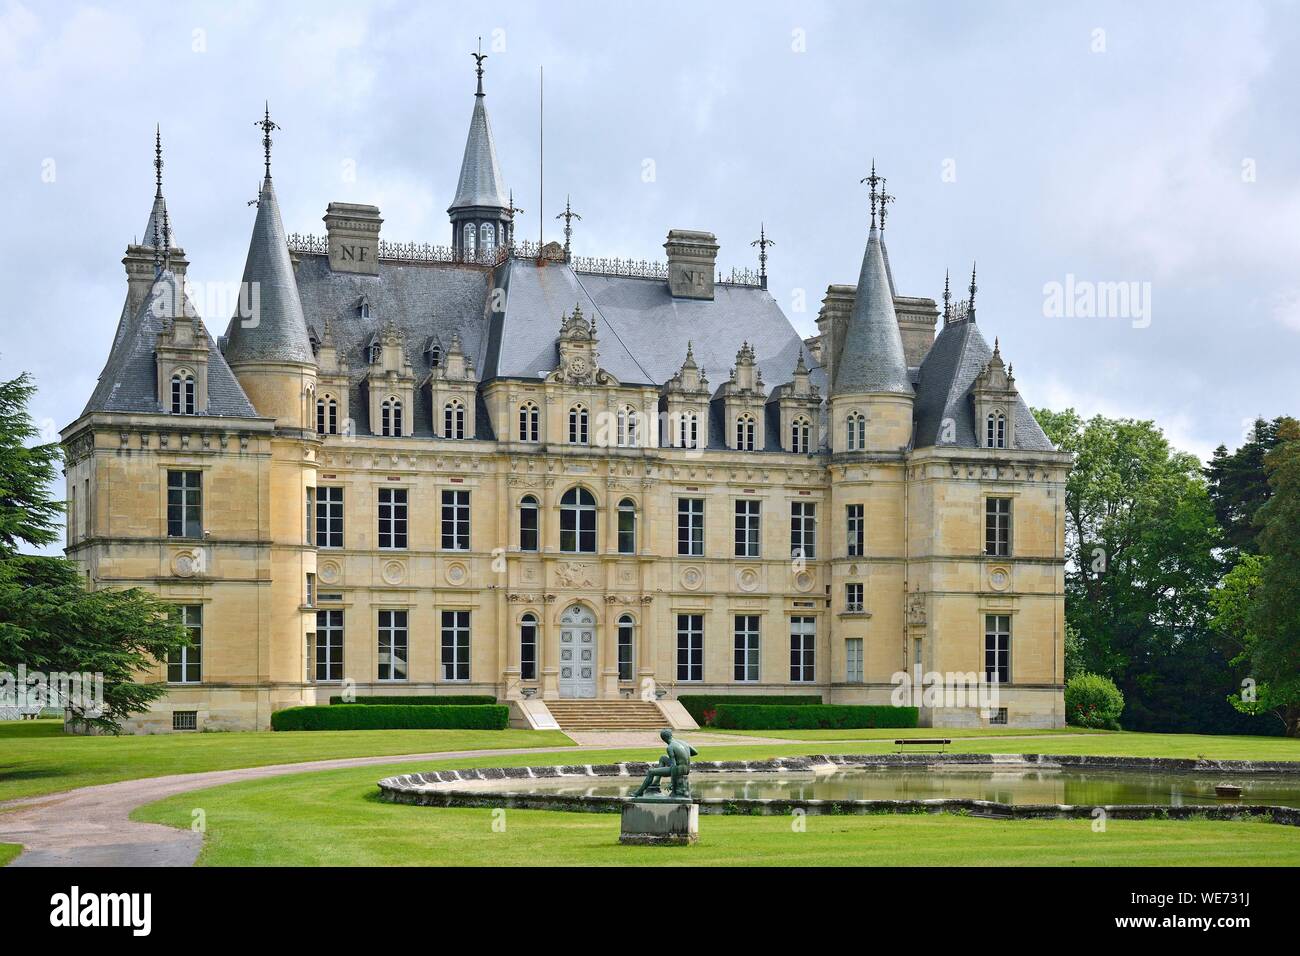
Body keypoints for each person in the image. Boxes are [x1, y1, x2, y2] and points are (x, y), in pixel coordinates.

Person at [630, 728, 698, 798]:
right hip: (686, 769)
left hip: (678, 770)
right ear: (671, 735)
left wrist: (672, 783)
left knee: (651, 772)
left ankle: (639, 792)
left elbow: (673, 766)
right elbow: (695, 752)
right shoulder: (682, 742)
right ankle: (656, 782)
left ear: (663, 739)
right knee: (663, 758)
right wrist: (683, 755)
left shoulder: (670, 747)